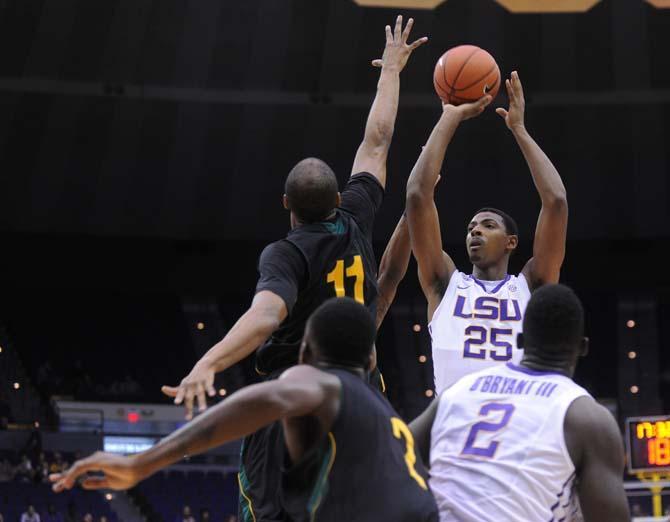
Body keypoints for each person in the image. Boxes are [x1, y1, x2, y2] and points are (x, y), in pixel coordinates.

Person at [159, 15, 427, 521]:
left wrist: (208, 362)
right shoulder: (357, 214)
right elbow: (378, 138)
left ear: (286, 202)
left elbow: (264, 317)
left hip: (292, 394)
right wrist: (391, 69)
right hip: (359, 391)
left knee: (269, 510)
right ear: (337, 197)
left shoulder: (286, 252)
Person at [50, 299, 438, 522]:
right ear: (370, 361)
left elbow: (270, 398)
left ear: (304, 355)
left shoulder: (325, 383)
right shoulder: (389, 420)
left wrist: (143, 463)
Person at [406, 71, 568, 394]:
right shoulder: (444, 284)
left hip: (515, 428)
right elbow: (417, 195)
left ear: (511, 242)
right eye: (470, 228)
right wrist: (449, 118)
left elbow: (557, 202)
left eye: (487, 226)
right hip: (455, 432)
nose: (475, 231)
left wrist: (519, 130)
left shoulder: (531, 286)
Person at [409, 284, 629, 522]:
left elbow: (393, 453)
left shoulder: (458, 391)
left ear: (522, 340)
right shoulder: (586, 417)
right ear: (583, 347)